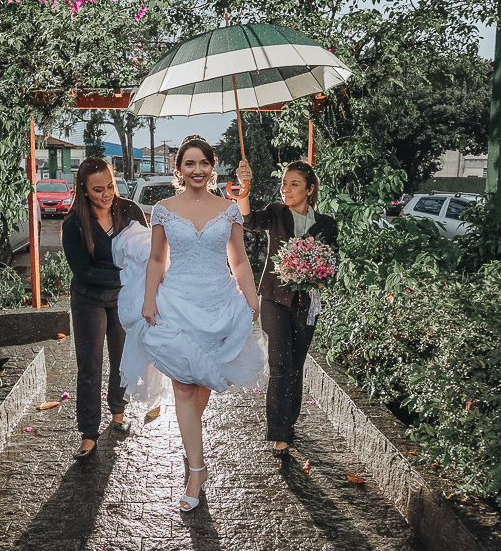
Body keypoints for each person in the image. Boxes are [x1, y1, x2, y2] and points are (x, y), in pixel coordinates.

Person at [125, 135, 264, 512]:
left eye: (203, 163)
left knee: (200, 389)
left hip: (219, 306)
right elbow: (156, 259)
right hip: (177, 305)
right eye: (189, 163)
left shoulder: (229, 209)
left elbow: (239, 261)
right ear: (179, 169)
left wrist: (251, 299)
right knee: (184, 389)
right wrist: (149, 298)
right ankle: (196, 471)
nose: (197, 170)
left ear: (212, 167)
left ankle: (193, 456)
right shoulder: (164, 209)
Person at [235, 160, 338, 459]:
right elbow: (249, 220)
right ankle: (279, 434)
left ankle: (289, 423)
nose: (286, 189)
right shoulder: (276, 214)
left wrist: (317, 273)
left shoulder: (327, 224)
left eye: (294, 184)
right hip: (274, 299)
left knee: (296, 366)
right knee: (279, 365)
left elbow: (332, 264)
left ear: (310, 189)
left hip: (307, 305)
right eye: (284, 183)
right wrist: (245, 190)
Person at [61, 158, 147, 459]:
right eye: (98, 190)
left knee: (123, 359)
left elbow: (146, 250)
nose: (107, 194)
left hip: (124, 299)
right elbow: (84, 271)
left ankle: (119, 413)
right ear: (84, 190)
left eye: (110, 186)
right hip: (89, 298)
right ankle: (88, 433)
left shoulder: (130, 211)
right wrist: (127, 275)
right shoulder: (73, 224)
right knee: (90, 363)